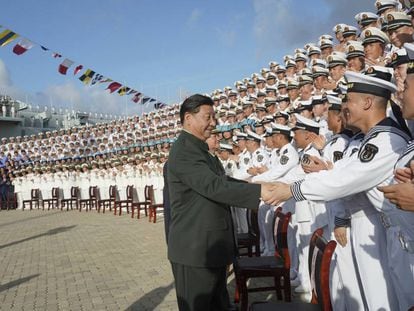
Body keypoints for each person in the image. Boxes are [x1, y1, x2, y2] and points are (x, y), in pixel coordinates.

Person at [167, 94, 275, 311]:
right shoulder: (185, 151)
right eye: (208, 117)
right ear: (188, 118)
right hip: (196, 250)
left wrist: (261, 185)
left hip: (209, 247)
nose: (213, 123)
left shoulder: (199, 149)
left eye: (214, 117)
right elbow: (214, 187)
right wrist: (261, 192)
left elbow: (222, 180)